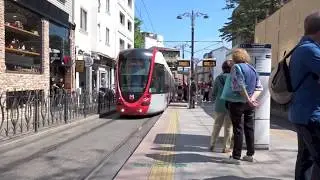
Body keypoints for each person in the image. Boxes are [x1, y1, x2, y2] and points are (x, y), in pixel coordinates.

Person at [288, 12, 320, 180]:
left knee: (306, 159)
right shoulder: (311, 50)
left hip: (302, 113)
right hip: (311, 115)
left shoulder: (302, 48)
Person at [224, 48, 263, 164]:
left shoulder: (236, 67)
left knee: (238, 129)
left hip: (237, 102)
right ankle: (250, 155)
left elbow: (240, 86)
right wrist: (252, 99)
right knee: (249, 127)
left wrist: (247, 98)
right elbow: (259, 87)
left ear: (235, 58)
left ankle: (236, 157)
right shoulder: (253, 69)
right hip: (249, 104)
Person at [210, 60, 234, 153]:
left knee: (217, 126)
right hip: (230, 105)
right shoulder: (233, 78)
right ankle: (226, 147)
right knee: (228, 128)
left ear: (223, 69)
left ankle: (212, 144)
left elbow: (214, 92)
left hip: (219, 105)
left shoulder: (218, 78)